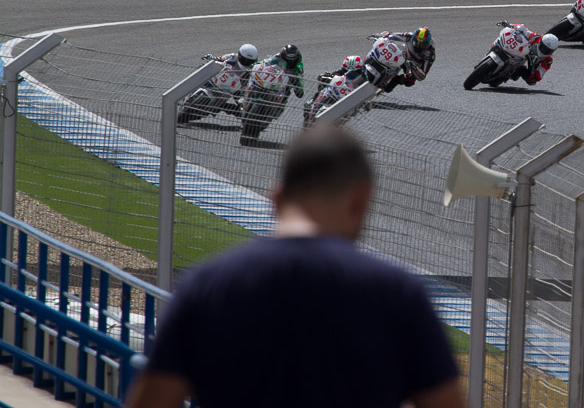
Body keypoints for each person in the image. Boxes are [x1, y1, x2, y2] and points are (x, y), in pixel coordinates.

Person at [126, 126, 464, 408]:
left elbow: (153, 400)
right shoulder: (399, 295)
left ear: (276, 197)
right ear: (360, 199)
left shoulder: (205, 285)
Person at [199, 43, 258, 116]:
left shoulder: (251, 70)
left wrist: (243, 97)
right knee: (201, 68)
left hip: (229, 91)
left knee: (241, 108)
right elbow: (220, 58)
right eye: (244, 59)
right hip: (217, 78)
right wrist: (211, 58)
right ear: (239, 55)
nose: (246, 62)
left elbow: (250, 85)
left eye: (249, 61)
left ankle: (221, 108)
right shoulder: (232, 57)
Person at [376, 27, 437, 92]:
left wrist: (414, 67)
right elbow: (394, 35)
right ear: (413, 39)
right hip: (403, 54)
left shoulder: (430, 54)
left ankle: (395, 80)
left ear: (428, 43)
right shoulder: (409, 36)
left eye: (422, 45)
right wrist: (382, 35)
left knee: (410, 81)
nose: (419, 46)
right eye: (416, 42)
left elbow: (422, 76)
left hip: (413, 63)